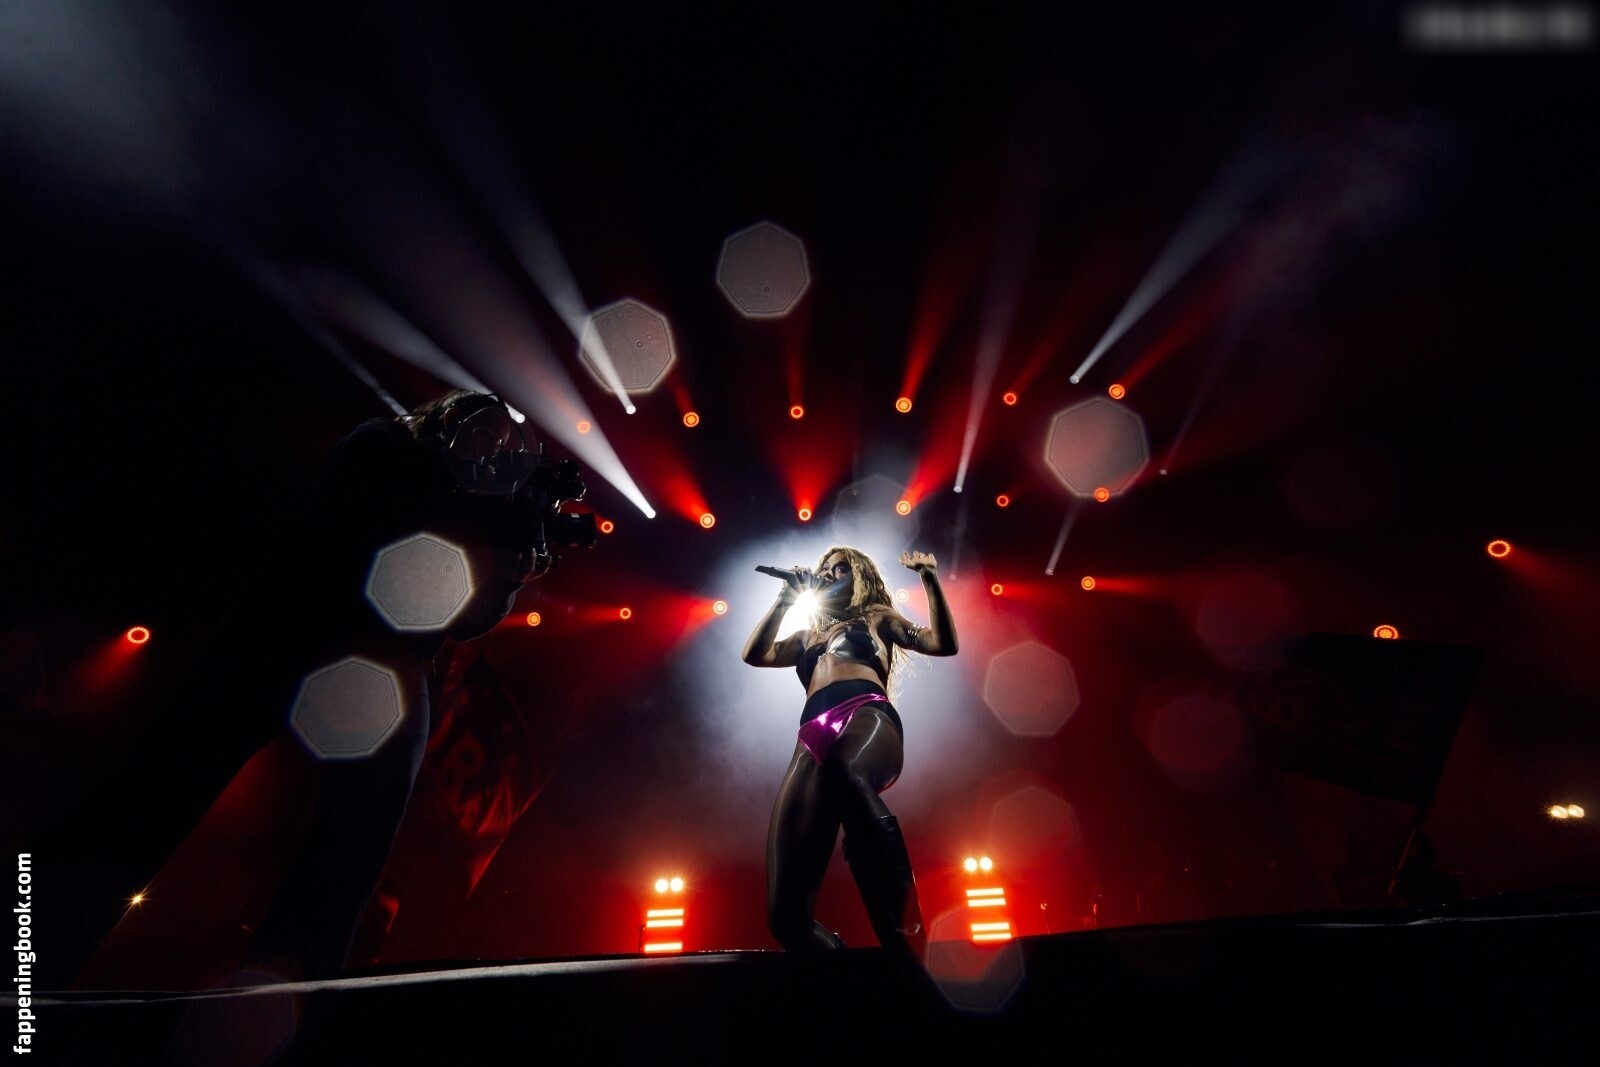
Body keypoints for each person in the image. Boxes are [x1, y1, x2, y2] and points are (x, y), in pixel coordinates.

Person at [742, 545, 958, 952]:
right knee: (785, 919)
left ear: (859, 576)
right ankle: (847, 976)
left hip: (865, 713)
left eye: (839, 568)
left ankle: (908, 939)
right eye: (824, 568)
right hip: (811, 735)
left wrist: (929, 580)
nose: (828, 573)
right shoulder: (807, 636)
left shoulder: (877, 618)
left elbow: (941, 643)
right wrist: (785, 599)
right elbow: (755, 654)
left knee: (847, 769)